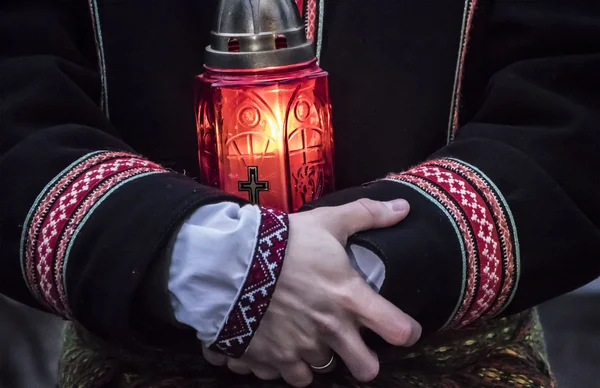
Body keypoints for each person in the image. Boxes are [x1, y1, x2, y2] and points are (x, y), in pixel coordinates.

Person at [1, 0, 599, 387]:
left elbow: (575, 94)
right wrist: (197, 256)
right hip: (137, 353)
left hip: (451, 358)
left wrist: (350, 268)